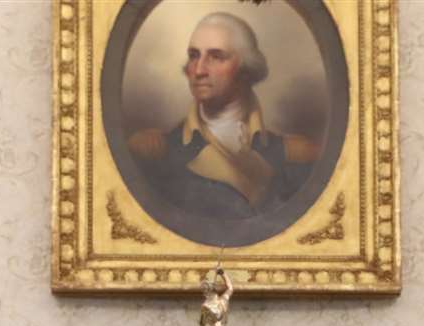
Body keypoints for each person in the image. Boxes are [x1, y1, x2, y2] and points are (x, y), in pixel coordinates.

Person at [127, 11, 319, 219]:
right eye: (194, 55)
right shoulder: (155, 153)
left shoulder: (295, 155)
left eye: (216, 56)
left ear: (245, 68)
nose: (199, 70)